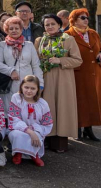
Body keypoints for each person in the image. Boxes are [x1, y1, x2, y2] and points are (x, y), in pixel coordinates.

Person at [34, 14, 82, 152]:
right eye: (47, 25)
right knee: (47, 108)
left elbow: (78, 60)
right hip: (46, 78)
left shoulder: (68, 39)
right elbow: (35, 59)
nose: (50, 27)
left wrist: (60, 60)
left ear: (59, 25)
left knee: (62, 108)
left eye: (53, 24)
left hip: (63, 79)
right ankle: (46, 139)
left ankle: (60, 142)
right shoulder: (39, 40)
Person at [65, 8, 101, 141]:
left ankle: (89, 129)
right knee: (80, 102)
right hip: (78, 74)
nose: (86, 20)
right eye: (83, 18)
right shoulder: (68, 35)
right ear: (74, 20)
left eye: (87, 18)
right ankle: (77, 129)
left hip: (95, 73)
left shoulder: (93, 33)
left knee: (93, 101)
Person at [0, 16, 44, 111]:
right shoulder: (2, 45)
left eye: (17, 28)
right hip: (10, 84)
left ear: (21, 29)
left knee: (27, 110)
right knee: (10, 110)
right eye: (11, 28)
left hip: (28, 84)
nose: (14, 31)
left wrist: (40, 83)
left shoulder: (29, 45)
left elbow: (36, 65)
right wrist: (11, 71)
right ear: (6, 30)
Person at [7, 75, 53, 167]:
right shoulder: (16, 98)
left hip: (36, 130)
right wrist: (29, 131)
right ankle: (18, 153)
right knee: (17, 134)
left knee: (37, 136)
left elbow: (47, 123)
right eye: (26, 87)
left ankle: (34, 155)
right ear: (21, 87)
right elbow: (14, 118)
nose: (29, 91)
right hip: (19, 129)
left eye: (32, 88)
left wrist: (34, 130)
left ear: (37, 89)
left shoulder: (43, 104)